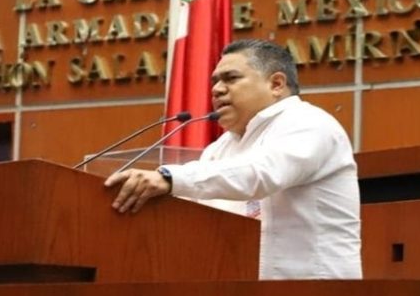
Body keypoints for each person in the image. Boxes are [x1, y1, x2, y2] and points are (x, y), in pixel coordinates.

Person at [104, 39, 361, 280]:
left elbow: (260, 174)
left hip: (314, 294)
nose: (216, 89)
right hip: (236, 291)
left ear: (276, 84)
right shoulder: (221, 148)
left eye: (231, 78)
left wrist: (169, 178)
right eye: (215, 81)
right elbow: (191, 215)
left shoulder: (309, 123)